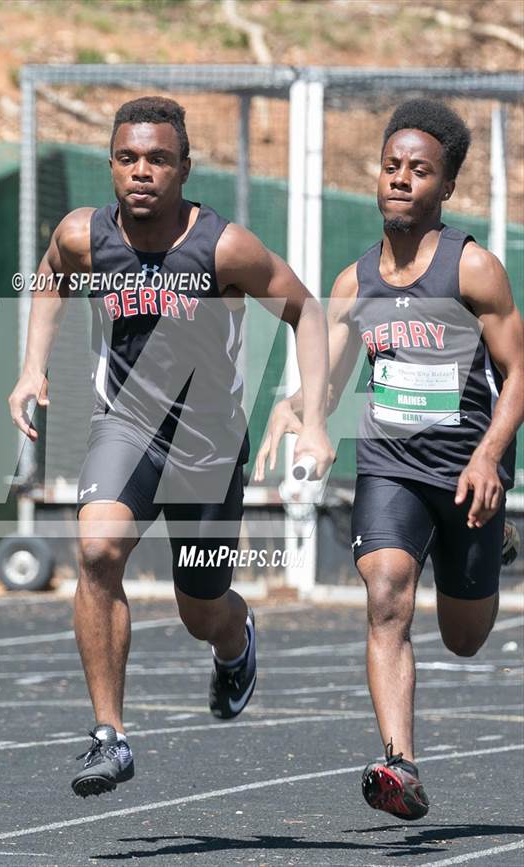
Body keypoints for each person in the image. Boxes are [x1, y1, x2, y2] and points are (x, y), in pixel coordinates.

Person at [9, 96, 334, 798]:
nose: (142, 171)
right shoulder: (82, 235)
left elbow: (306, 309)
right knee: (96, 550)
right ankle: (110, 734)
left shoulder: (224, 247)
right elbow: (49, 278)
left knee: (200, 609)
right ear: (111, 165)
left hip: (208, 445)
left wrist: (312, 412)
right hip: (124, 427)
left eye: (158, 159)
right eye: (128, 158)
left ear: (185, 168)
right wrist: (32, 365)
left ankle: (235, 637)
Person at [256, 99, 523, 821]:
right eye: (391, 166)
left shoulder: (474, 268)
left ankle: (494, 542)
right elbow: (331, 378)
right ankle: (399, 762)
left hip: (468, 467)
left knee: (465, 640)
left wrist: (493, 455)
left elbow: (518, 370)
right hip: (391, 464)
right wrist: (299, 409)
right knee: (386, 594)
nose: (401, 180)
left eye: (419, 171)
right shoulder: (354, 283)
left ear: (446, 186)